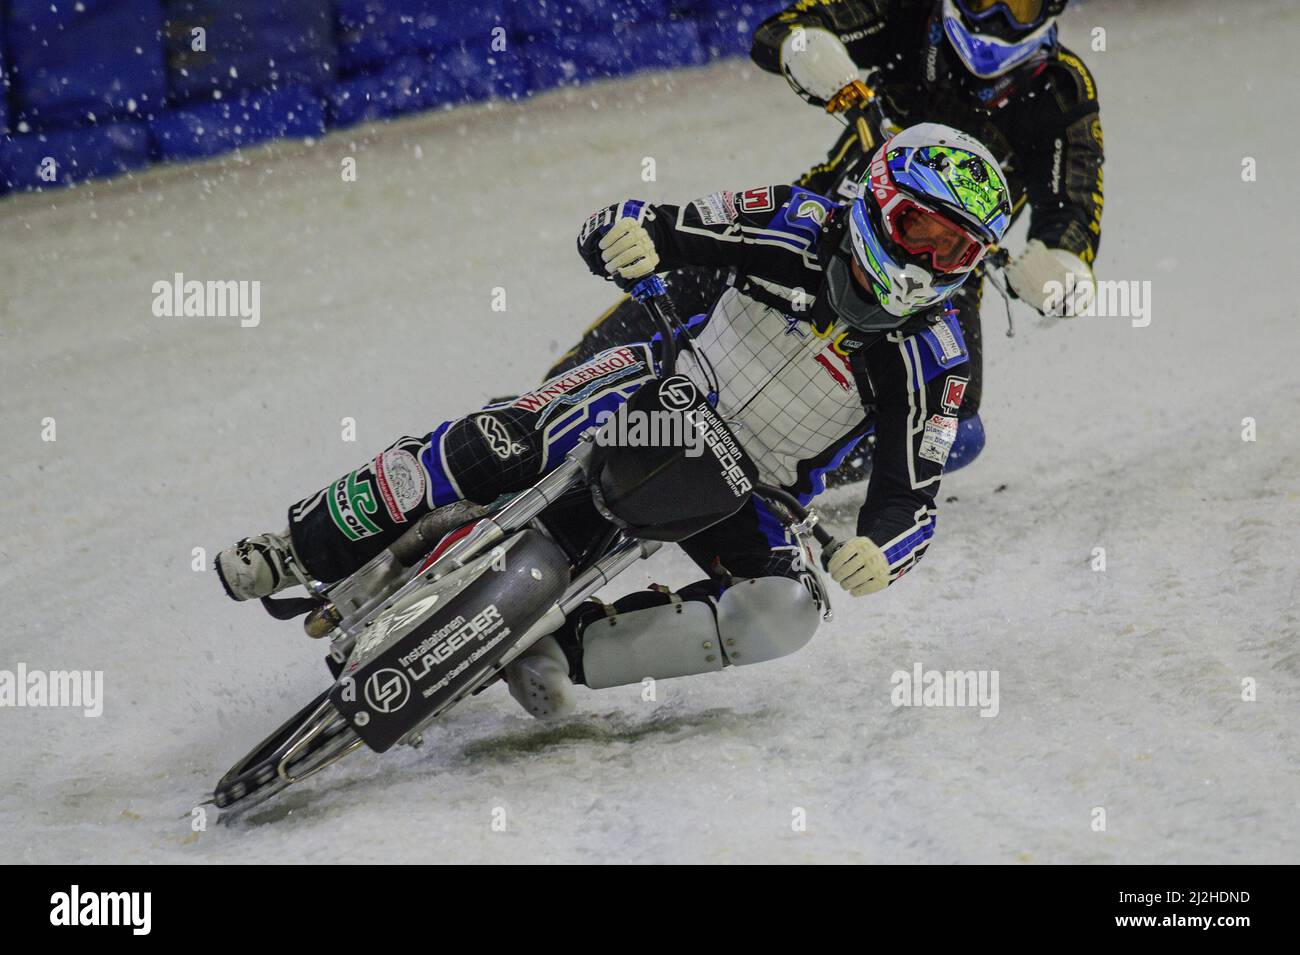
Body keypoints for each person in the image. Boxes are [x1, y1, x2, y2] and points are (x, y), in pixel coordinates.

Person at [216, 123, 1011, 720]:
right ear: (875, 198)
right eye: (918, 230)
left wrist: (881, 551)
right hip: (660, 397)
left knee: (789, 611)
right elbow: (652, 222)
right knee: (502, 439)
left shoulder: (935, 361)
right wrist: (624, 236)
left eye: (954, 252)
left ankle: (554, 652)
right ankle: (297, 546)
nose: (925, 263)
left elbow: (912, 498)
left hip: (749, 492)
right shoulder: (796, 221)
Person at [547, 0, 1104, 478]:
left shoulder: (1064, 90)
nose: (1000, 15)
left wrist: (1060, 274)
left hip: (934, 287)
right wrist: (819, 60)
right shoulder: (910, 12)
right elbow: (785, 28)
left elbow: (1075, 218)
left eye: (1020, 3)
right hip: (822, 222)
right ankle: (545, 412)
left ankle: (770, 471)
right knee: (697, 277)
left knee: (955, 432)